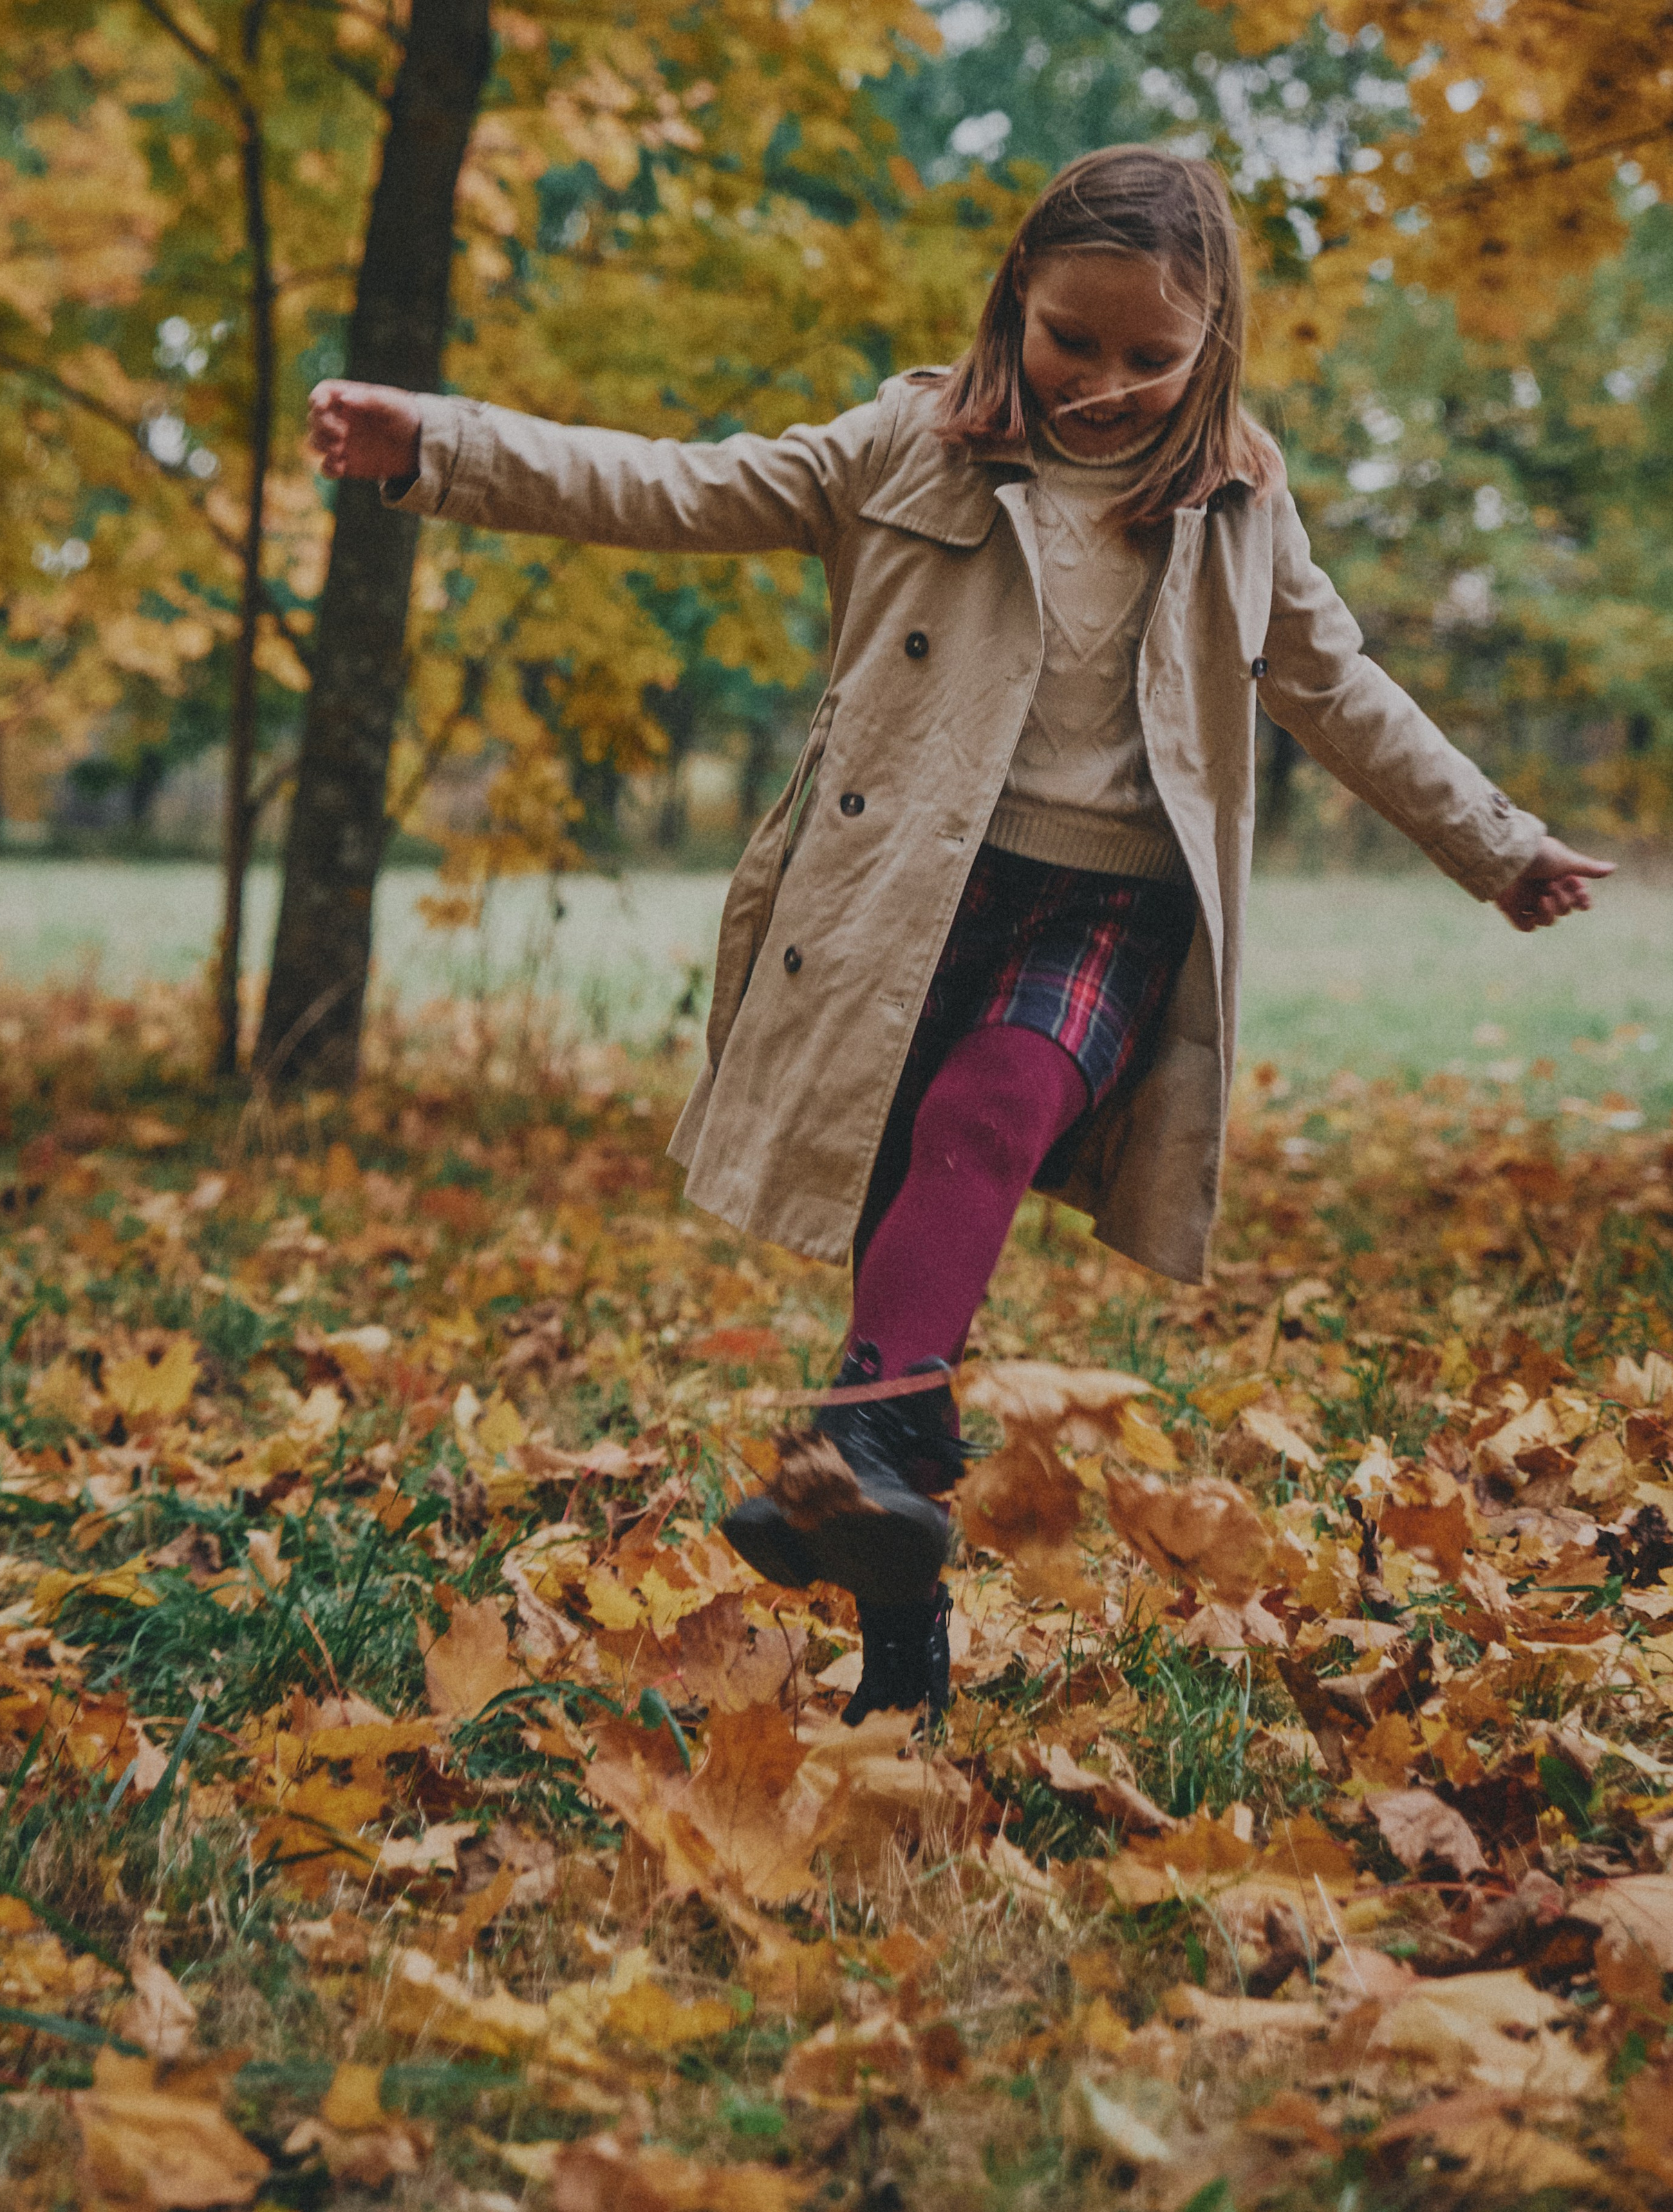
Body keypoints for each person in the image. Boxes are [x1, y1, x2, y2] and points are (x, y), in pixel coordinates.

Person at [309, 144, 1611, 1730]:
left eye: (1151, 356)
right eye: (1074, 337)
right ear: (1015, 302)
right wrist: (433, 445)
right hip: (906, 897)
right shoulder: (901, 448)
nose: (1107, 383)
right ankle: (893, 1617)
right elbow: (670, 485)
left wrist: (1496, 843)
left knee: (986, 1111)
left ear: (1209, 350)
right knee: (897, 1305)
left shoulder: (1232, 504)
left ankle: (850, 1455)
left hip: (1104, 907)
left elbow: (1340, 692)